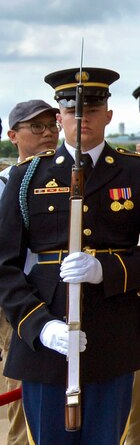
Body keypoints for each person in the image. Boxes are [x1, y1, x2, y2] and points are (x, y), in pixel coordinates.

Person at [0, 70, 140, 444]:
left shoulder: (138, 172)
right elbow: (3, 265)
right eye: (72, 110)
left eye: (93, 109)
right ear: (60, 117)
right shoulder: (28, 176)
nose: (82, 118)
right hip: (44, 341)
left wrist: (107, 270)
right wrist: (40, 327)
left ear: (108, 115)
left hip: (112, 337)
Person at [2, 100, 59, 445]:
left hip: (73, 296)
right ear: (13, 136)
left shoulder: (75, 175)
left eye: (51, 125)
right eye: (36, 128)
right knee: (24, 407)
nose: (48, 133)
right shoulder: (6, 183)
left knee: (134, 395)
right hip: (21, 305)